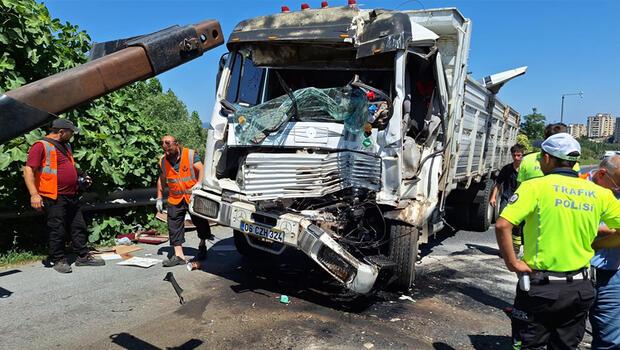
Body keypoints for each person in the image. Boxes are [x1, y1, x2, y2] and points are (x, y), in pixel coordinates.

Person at [495, 133, 620, 349]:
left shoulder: (534, 187)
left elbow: (502, 225)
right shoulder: (599, 193)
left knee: (528, 345)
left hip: (540, 287)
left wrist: (513, 263)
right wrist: (595, 244)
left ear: (546, 158)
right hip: (580, 289)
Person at [23, 119, 105, 274]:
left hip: (71, 194)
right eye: (71, 132)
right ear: (61, 132)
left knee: (78, 225)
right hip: (53, 196)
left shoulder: (66, 145)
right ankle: (58, 258)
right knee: (57, 228)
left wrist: (81, 175)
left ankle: (82, 256)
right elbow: (28, 170)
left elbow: (68, 166)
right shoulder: (41, 145)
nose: (73, 135)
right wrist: (34, 194)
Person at [156, 135, 212, 267]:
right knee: (173, 224)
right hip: (175, 198)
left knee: (200, 222)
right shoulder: (163, 161)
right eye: (163, 144)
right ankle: (179, 255)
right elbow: (162, 179)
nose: (165, 147)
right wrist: (159, 197)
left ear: (177, 144)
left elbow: (201, 168)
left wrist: (199, 183)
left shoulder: (190, 154)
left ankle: (202, 244)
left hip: (193, 196)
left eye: (168, 144)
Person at [587, 155, 620, 349]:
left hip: (612, 274)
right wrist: (607, 230)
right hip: (575, 271)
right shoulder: (578, 186)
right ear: (601, 174)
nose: (618, 190)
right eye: (617, 185)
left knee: (611, 340)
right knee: (564, 333)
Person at [490, 143, 525, 255]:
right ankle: (504, 248)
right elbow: (498, 183)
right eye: (514, 155)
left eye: (519, 155)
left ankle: (515, 249)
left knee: (517, 227)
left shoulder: (526, 169)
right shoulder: (507, 169)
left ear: (522, 155)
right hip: (507, 199)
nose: (516, 158)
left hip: (521, 201)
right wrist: (493, 197)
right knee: (502, 224)